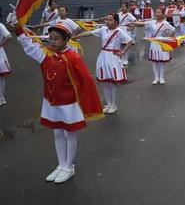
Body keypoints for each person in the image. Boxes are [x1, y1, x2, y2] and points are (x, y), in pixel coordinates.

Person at [14, 19, 103, 183]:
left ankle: (69, 166)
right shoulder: (45, 54)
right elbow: (29, 45)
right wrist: (17, 27)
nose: (52, 41)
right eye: (51, 38)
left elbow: (85, 81)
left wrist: (85, 104)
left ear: (66, 39)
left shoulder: (72, 57)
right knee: (57, 133)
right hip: (51, 102)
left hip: (69, 104)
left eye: (56, 39)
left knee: (69, 134)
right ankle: (61, 165)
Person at [74, 12, 133, 114]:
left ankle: (114, 105)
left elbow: (130, 41)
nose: (107, 22)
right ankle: (108, 104)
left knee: (112, 82)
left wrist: (123, 52)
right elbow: (89, 33)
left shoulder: (119, 31)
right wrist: (75, 37)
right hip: (103, 57)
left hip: (113, 58)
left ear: (115, 21)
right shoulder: (103, 29)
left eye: (110, 20)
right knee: (105, 82)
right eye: (106, 19)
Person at [129, 7, 176, 84]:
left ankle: (161, 78)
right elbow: (142, 24)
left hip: (161, 43)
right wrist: (133, 23)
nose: (157, 14)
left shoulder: (166, 23)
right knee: (155, 62)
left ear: (163, 14)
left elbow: (173, 30)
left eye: (159, 12)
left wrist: (167, 37)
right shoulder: (152, 22)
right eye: (156, 12)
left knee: (161, 62)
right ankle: (156, 77)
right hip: (154, 43)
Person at [0, 22, 12, 105]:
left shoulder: (0, 25)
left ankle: (1, 98)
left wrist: (0, 45)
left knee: (0, 78)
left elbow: (9, 36)